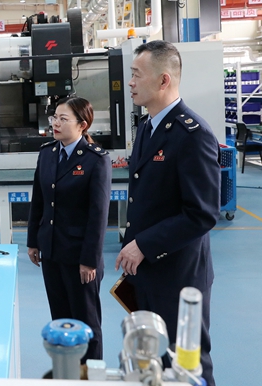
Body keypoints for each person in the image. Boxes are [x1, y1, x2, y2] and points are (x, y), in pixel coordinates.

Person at [114, 40, 220, 386]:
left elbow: (202, 213)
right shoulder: (148, 127)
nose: (130, 82)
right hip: (147, 271)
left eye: (136, 75)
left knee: (187, 363)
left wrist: (144, 244)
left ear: (163, 80)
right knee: (153, 363)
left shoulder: (192, 135)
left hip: (178, 274)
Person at [27, 96, 111, 362]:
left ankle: (91, 373)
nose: (56, 123)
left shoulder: (96, 160)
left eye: (63, 119)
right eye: (54, 117)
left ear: (82, 125)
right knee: (61, 320)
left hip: (79, 257)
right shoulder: (47, 153)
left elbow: (98, 215)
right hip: (51, 251)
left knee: (86, 323)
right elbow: (39, 201)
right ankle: (67, 371)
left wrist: (89, 260)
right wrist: (33, 241)